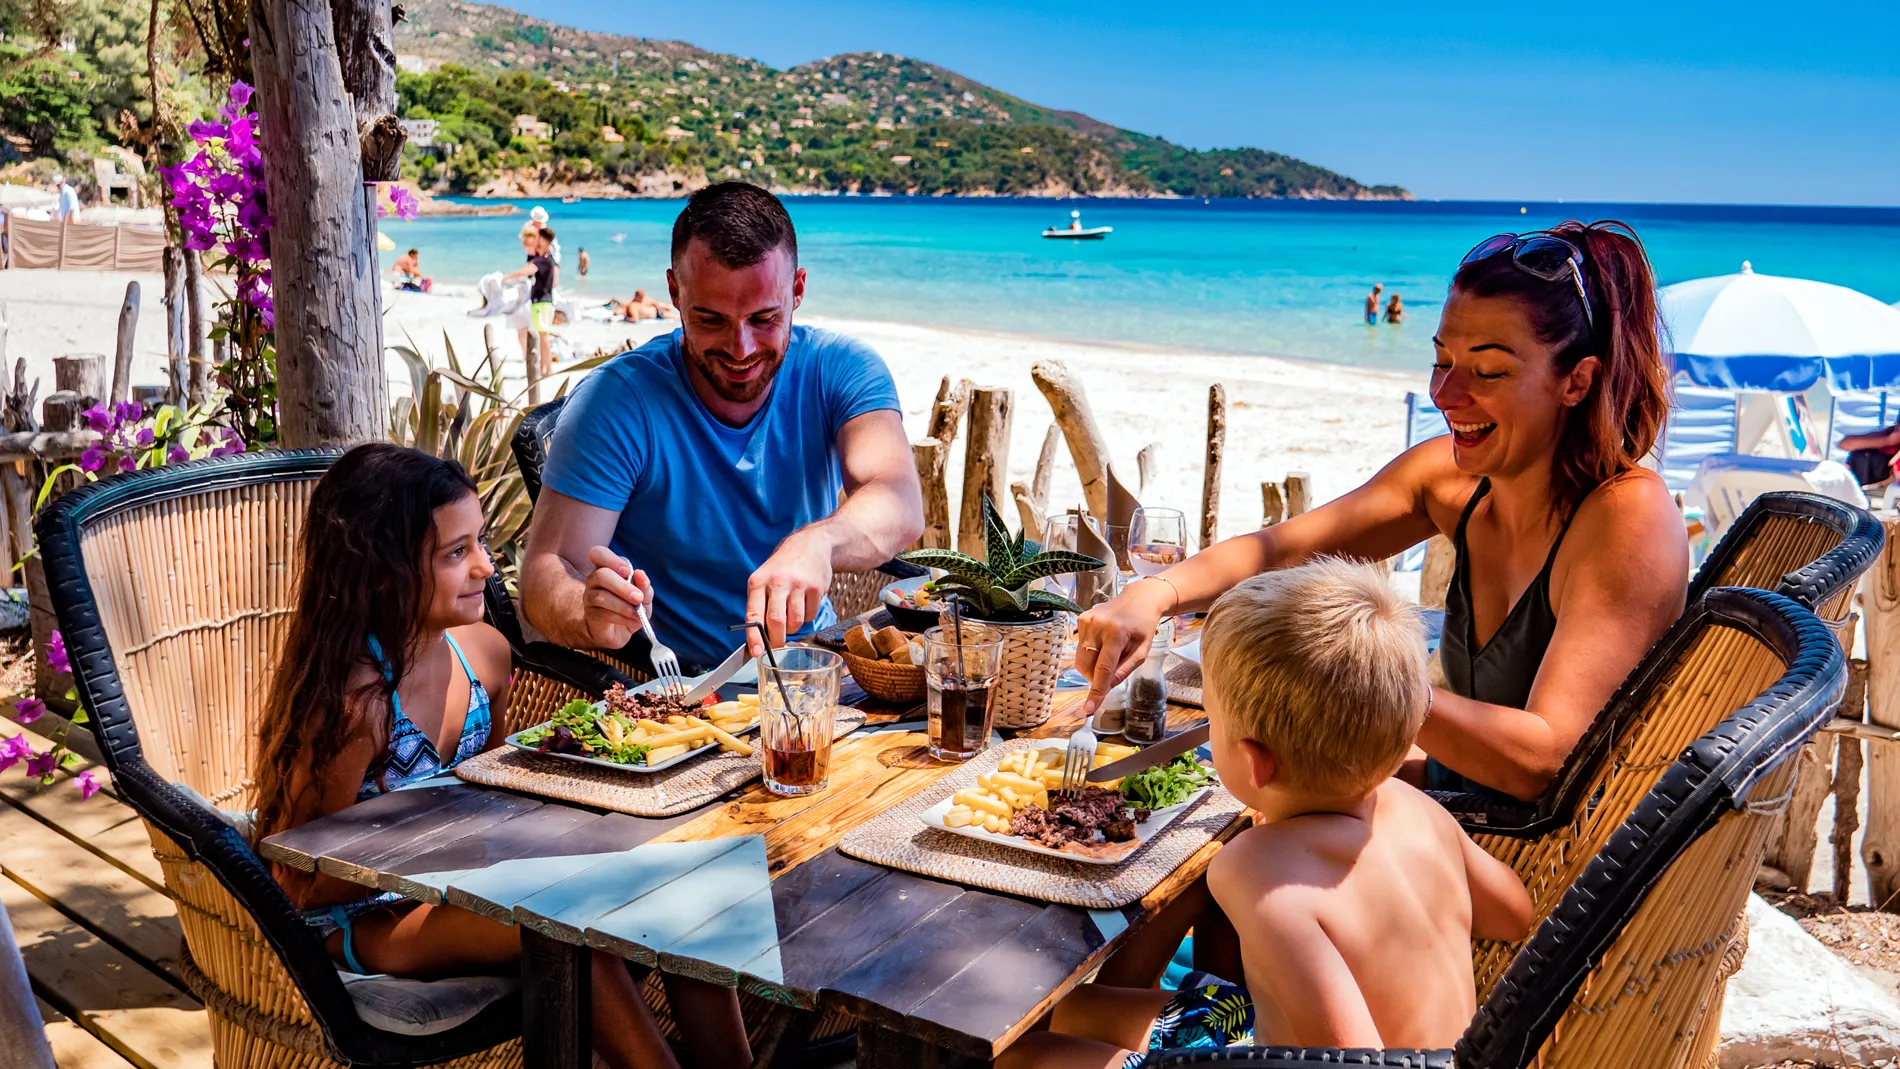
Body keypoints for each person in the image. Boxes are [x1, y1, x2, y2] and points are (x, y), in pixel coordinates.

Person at [1078, 221, 1685, 802]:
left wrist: (1362, 685)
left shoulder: (1626, 515)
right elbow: (1280, 550)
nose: (1445, 395)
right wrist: (1153, 594)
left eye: (1489, 369)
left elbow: (1544, 763)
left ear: (1577, 381)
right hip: (1440, 799)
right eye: (1441, 360)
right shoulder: (1449, 480)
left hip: (1520, 859)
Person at [253, 444, 752, 1069]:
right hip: (365, 922)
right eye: (456, 553)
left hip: (467, 889)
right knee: (572, 930)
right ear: (382, 569)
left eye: (481, 543)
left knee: (673, 886)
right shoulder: (356, 704)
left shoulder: (484, 654)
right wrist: (452, 845)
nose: (487, 568)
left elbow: (490, 797)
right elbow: (295, 878)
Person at [998, 561, 1532, 1068]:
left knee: (1019, 1058)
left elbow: (1357, 1063)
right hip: (1354, 1044)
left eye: (1211, 720)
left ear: (1254, 762)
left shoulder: (1257, 869)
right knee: (1061, 1014)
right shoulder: (1417, 808)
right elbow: (1513, 916)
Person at [520, 181, 924, 669]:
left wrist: (817, 540)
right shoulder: (616, 401)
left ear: (797, 290)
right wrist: (587, 611)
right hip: (674, 685)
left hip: (808, 666)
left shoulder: (840, 368)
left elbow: (899, 500)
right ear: (674, 291)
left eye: (764, 318)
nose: (741, 348)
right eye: (710, 319)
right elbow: (545, 577)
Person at [503, 227, 557, 379]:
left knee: (543, 336)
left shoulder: (543, 260)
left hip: (542, 302)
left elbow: (526, 271)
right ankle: (545, 368)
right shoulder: (548, 258)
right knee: (543, 335)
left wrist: (507, 277)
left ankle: (545, 369)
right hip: (543, 302)